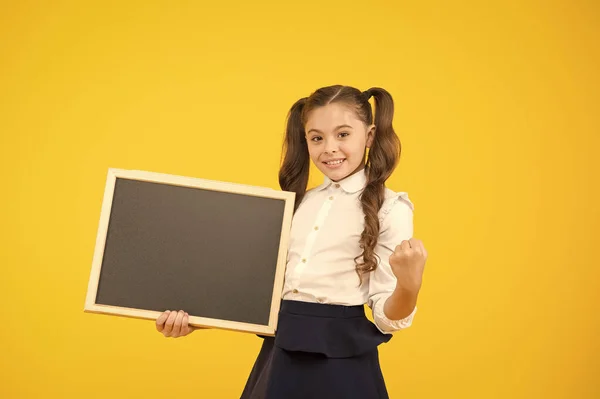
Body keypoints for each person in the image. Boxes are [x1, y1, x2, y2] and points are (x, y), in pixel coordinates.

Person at [156, 85, 428, 398]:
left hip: (342, 363)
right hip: (280, 356)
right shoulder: (295, 204)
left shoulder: (391, 208)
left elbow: (388, 320)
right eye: (317, 138)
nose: (329, 148)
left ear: (368, 136)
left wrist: (409, 285)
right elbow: (259, 297)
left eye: (343, 134)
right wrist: (194, 320)